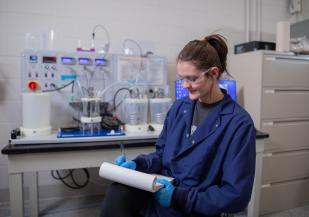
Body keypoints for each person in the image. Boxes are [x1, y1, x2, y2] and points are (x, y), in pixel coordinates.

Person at [100, 34, 256, 217]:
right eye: (182, 78)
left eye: (192, 78)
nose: (185, 85)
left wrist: (179, 197)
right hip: (160, 198)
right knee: (117, 192)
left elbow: (235, 195)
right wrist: (138, 164)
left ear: (213, 73)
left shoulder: (238, 123)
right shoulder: (179, 108)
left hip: (194, 207)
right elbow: (161, 155)